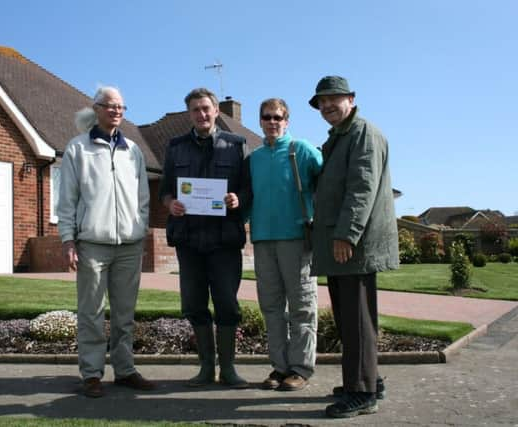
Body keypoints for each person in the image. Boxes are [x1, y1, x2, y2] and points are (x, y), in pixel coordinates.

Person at [308, 76, 399, 418]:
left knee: (356, 320)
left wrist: (347, 234)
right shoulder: (340, 137)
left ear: (351, 98)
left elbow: (362, 187)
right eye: (321, 102)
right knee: (351, 319)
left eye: (333, 99)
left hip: (352, 245)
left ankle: (362, 393)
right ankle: (368, 380)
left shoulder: (362, 133)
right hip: (343, 243)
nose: (327, 106)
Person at [57, 86, 155, 398]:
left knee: (125, 314)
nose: (116, 111)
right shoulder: (77, 149)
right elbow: (67, 200)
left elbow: (143, 197)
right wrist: (68, 240)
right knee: (91, 312)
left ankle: (125, 370)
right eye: (110, 106)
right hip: (92, 244)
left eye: (121, 107)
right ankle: (92, 373)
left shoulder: (133, 151)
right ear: (96, 108)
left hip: (129, 244)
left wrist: (138, 227)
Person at [159, 87, 251, 388]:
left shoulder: (237, 146)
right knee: (194, 304)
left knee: (227, 304)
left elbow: (249, 189)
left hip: (224, 241)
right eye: (195, 110)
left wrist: (238, 199)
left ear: (216, 111)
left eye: (206, 108)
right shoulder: (175, 147)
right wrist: (170, 203)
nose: (201, 114)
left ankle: (228, 369)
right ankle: (205, 368)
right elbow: (164, 192)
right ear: (190, 114)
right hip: (189, 240)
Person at [248, 98, 322, 391]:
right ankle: (279, 368)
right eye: (267, 117)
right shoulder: (254, 158)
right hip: (263, 240)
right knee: (272, 308)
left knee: (302, 307)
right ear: (260, 121)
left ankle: (300, 368)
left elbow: (327, 182)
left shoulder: (302, 150)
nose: (272, 122)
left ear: (287, 121)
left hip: (296, 240)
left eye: (278, 117)